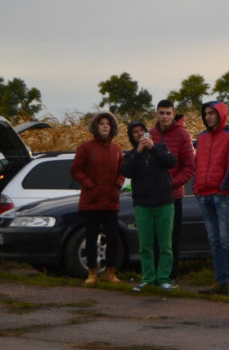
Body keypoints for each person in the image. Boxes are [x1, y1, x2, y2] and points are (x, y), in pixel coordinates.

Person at [121, 120, 177, 291]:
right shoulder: (130, 155)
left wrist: (152, 148)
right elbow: (126, 172)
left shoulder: (160, 148)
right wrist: (138, 153)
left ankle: (164, 278)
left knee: (165, 244)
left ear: (147, 133)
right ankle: (148, 278)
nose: (139, 134)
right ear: (132, 136)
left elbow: (171, 161)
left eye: (141, 131)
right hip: (142, 204)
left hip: (164, 202)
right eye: (135, 132)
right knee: (145, 245)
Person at [194, 100, 229, 296]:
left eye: (211, 113)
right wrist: (197, 187)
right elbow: (197, 163)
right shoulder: (202, 137)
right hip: (203, 194)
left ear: (220, 114)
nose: (208, 117)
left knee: (226, 239)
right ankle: (219, 279)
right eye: (205, 114)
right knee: (214, 239)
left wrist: (224, 187)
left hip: (222, 195)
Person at [70, 112, 124, 286]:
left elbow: (122, 171)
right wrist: (89, 184)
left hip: (111, 200)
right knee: (91, 237)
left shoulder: (116, 149)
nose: (105, 126)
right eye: (101, 123)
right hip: (91, 201)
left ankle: (111, 272)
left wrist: (117, 186)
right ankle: (92, 272)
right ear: (96, 126)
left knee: (113, 237)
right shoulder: (85, 148)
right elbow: (76, 170)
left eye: (108, 123)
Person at [150, 99, 195, 280]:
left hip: (172, 195)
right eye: (161, 113)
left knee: (171, 238)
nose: (165, 116)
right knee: (154, 238)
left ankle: (170, 275)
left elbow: (188, 167)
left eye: (168, 113)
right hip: (152, 195)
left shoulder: (182, 135)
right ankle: (154, 273)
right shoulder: (150, 134)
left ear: (173, 114)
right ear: (156, 114)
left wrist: (172, 184)